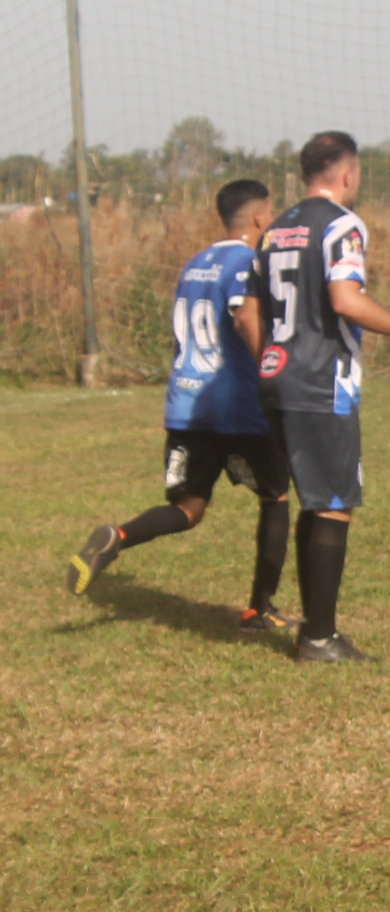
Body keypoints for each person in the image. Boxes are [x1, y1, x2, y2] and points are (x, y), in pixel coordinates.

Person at [67, 180, 296, 631]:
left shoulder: (195, 265)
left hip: (188, 404)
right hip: (237, 405)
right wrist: (272, 370)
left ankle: (119, 536)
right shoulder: (248, 263)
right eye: (271, 212)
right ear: (259, 216)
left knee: (188, 508)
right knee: (276, 497)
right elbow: (244, 317)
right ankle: (259, 609)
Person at [253, 131, 390, 662]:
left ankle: (314, 630)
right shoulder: (342, 224)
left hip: (275, 374)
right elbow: (345, 299)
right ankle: (320, 637)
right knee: (333, 505)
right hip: (320, 380)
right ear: (346, 174)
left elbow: (255, 308)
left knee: (314, 502)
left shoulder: (275, 229)